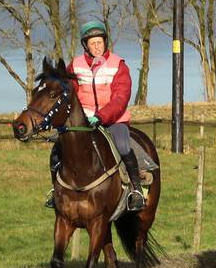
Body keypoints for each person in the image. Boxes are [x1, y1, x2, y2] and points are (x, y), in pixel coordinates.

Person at [43, 20, 145, 212]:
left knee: (123, 145)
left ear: (105, 42)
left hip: (114, 119)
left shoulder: (118, 65)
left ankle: (136, 190)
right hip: (82, 121)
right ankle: (55, 191)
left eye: (100, 42)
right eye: (92, 43)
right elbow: (66, 94)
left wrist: (101, 116)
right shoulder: (75, 66)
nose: (97, 47)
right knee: (57, 149)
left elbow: (121, 97)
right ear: (85, 45)